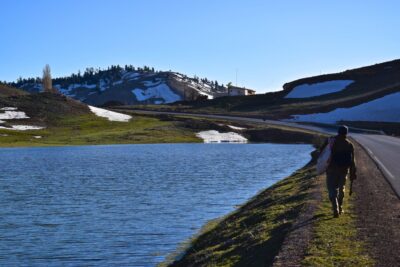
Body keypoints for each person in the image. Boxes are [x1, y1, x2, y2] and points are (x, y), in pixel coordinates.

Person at [321, 125, 357, 218]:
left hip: (331, 170)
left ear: (338, 131)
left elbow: (321, 151)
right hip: (344, 170)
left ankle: (335, 207)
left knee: (332, 189)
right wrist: (353, 173)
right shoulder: (349, 144)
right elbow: (352, 161)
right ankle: (340, 207)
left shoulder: (331, 141)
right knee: (342, 188)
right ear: (346, 133)